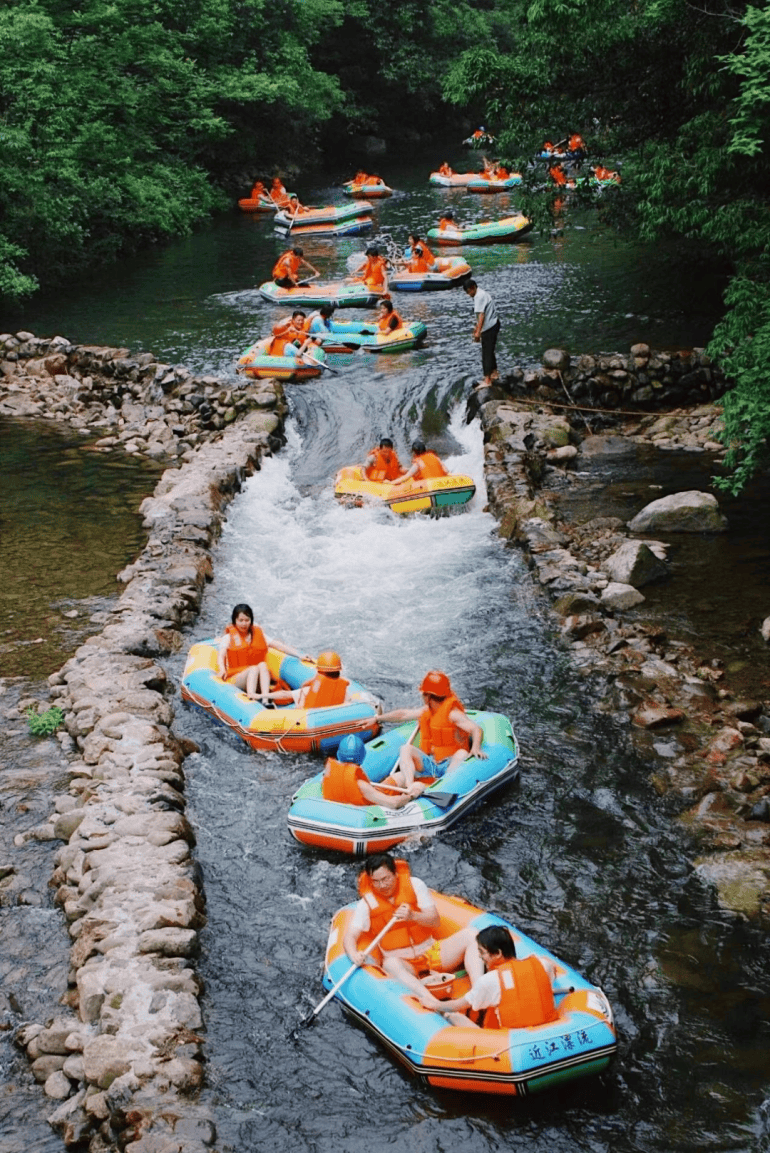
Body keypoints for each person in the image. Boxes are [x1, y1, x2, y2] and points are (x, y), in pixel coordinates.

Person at [342, 854, 483, 999]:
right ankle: (431, 1002)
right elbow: (350, 936)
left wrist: (413, 916)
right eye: (376, 881)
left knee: (472, 935)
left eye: (386, 879)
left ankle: (479, 990)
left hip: (431, 952)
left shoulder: (415, 885)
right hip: (403, 963)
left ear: (395, 874)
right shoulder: (365, 905)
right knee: (390, 964)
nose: (382, 885)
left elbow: (435, 921)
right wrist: (354, 954)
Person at [419, 924, 559, 1030]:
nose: (479, 956)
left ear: (497, 953)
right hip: (546, 1028)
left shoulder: (490, 981)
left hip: (509, 1040)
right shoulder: (543, 964)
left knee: (453, 1016)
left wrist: (435, 1004)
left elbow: (457, 1005)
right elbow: (551, 973)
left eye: (482, 952)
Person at [377, 669, 487, 790]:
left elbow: (476, 729)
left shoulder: (453, 714)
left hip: (450, 764)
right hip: (432, 762)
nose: (421, 695)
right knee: (406, 748)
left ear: (428, 696)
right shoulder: (427, 711)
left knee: (462, 754)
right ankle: (409, 785)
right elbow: (403, 714)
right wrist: (378, 718)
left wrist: (476, 748)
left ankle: (445, 787)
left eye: (423, 693)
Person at [217, 604, 302, 702]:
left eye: (247, 620)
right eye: (240, 620)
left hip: (256, 679)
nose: (244, 624)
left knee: (262, 665)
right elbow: (221, 655)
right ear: (235, 621)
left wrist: (299, 655)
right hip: (236, 678)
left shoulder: (258, 634)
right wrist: (222, 669)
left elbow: (278, 646)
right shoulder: (227, 638)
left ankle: (265, 699)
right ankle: (251, 697)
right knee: (254, 668)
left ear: (251, 620)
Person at [321, 735, 425, 809]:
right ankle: (412, 786)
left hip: (366, 795)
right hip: (372, 803)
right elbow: (393, 804)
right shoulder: (361, 786)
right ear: (362, 757)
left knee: (400, 776)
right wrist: (411, 796)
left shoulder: (327, 774)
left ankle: (407, 784)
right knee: (418, 785)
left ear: (339, 755)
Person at [463, 279, 500, 388]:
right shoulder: (482, 293)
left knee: (486, 353)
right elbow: (481, 315)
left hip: (489, 327)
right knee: (490, 350)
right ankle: (494, 373)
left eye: (469, 291)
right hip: (494, 324)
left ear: (473, 288)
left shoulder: (479, 296)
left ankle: (487, 379)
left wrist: (478, 332)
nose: (468, 294)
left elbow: (481, 315)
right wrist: (476, 328)